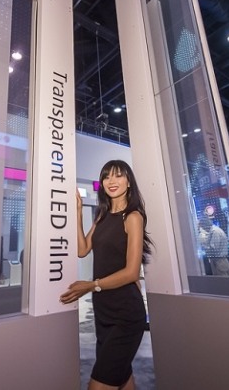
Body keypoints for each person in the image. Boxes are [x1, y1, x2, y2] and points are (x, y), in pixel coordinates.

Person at [60, 160, 152, 390]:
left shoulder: (133, 217)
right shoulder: (101, 216)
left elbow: (131, 272)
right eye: (106, 176)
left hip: (125, 313)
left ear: (129, 182)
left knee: (100, 382)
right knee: (122, 378)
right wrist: (78, 212)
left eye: (118, 175)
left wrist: (91, 285)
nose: (111, 181)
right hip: (103, 311)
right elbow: (82, 250)